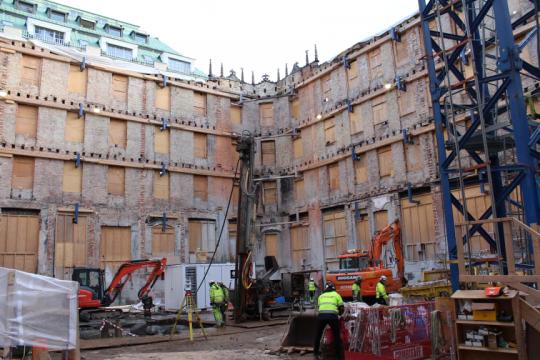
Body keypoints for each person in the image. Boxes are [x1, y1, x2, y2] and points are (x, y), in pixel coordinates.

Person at [313, 281, 344, 360]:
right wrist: (339, 314)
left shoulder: (321, 296)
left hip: (321, 316)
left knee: (318, 335)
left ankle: (315, 353)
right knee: (336, 336)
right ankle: (339, 356)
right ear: (333, 288)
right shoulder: (336, 295)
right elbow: (341, 308)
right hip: (332, 316)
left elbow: (320, 307)